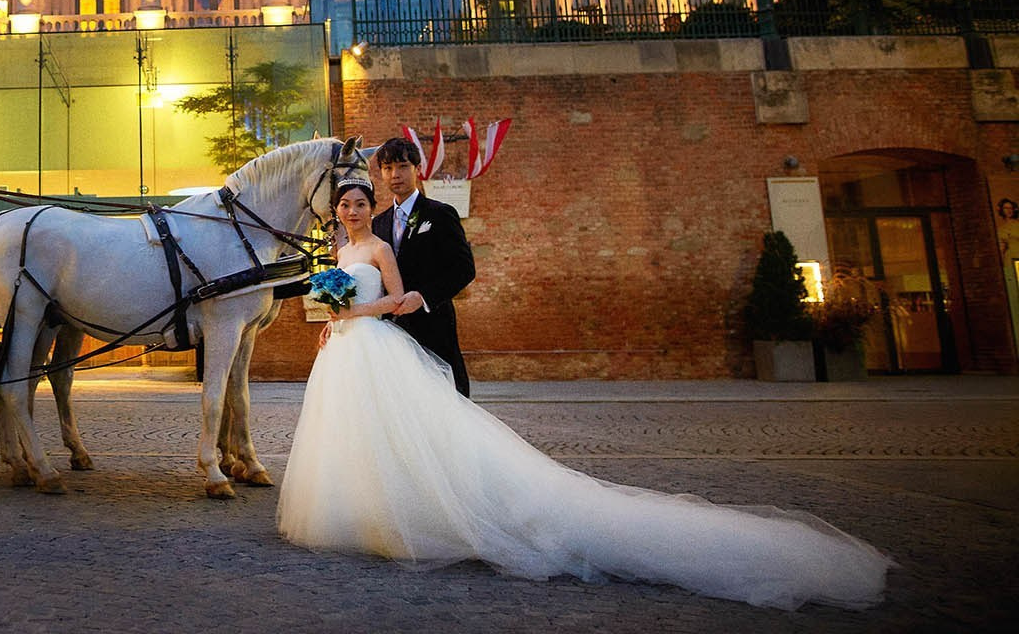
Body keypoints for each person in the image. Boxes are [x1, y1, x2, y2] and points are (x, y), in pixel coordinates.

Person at [277, 178, 893, 610]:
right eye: (348, 205)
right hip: (343, 352)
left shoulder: (383, 248)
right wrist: (334, 319)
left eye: (361, 203)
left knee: (413, 430)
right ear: (338, 214)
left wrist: (356, 315)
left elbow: (396, 300)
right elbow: (340, 300)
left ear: (370, 204)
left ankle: (427, 507)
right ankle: (364, 510)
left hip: (377, 345)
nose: (356, 211)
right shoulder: (340, 247)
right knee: (354, 435)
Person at [372, 135, 476, 395]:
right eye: (388, 168)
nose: (395, 174)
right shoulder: (378, 224)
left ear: (417, 170)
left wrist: (424, 297)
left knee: (445, 399)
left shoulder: (439, 214)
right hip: (391, 332)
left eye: (403, 166)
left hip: (433, 324)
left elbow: (464, 268)